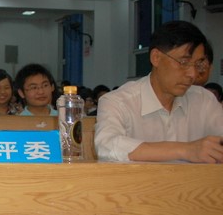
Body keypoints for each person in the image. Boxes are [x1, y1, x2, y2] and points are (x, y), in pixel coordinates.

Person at [95, 20, 223, 163]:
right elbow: (107, 146)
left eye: (198, 64)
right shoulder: (119, 102)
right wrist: (185, 150)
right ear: (156, 58)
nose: (192, 74)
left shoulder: (204, 100)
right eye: (184, 62)